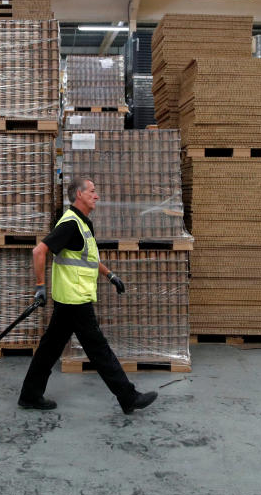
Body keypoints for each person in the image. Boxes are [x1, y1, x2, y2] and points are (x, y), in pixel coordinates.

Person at [18, 177, 158, 414]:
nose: (97, 196)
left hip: (70, 300)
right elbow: (39, 251)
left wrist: (110, 275)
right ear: (79, 195)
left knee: (49, 349)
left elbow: (88, 260)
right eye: (92, 191)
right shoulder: (70, 224)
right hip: (75, 300)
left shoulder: (84, 224)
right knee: (99, 349)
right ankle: (128, 397)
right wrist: (40, 285)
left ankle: (30, 394)